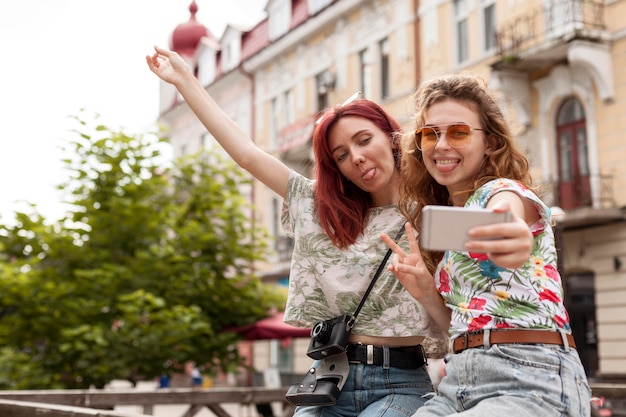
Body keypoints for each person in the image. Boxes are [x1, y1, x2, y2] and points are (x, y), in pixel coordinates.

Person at [146, 46, 448, 417]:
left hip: (400, 383)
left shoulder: (433, 210)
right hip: (328, 381)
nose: (355, 157)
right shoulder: (322, 208)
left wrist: (428, 289)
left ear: (390, 136)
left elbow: (459, 316)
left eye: (364, 140)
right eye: (340, 154)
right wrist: (186, 81)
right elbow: (248, 155)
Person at [382, 73, 591, 416]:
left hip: (529, 378)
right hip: (458, 381)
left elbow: (507, 212)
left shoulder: (501, 191)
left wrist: (512, 234)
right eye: (429, 134)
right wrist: (426, 291)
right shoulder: (454, 224)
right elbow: (464, 325)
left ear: (491, 143)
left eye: (458, 132)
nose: (442, 144)